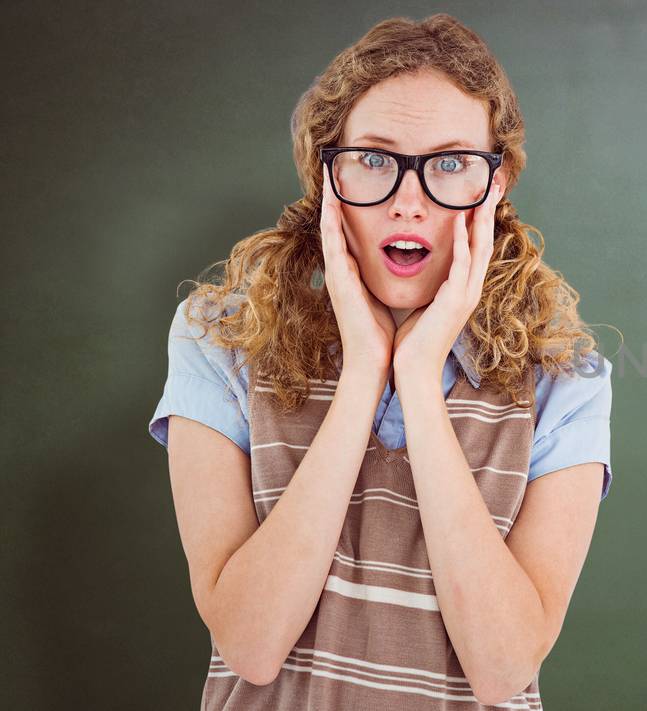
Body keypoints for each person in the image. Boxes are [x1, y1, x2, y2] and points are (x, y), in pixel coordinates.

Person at [147, 14, 613, 710]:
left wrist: (419, 380)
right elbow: (251, 641)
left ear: (498, 182)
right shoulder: (218, 339)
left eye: (452, 163)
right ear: (326, 173)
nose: (408, 200)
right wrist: (365, 370)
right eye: (374, 158)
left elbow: (502, 667)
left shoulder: (567, 382)